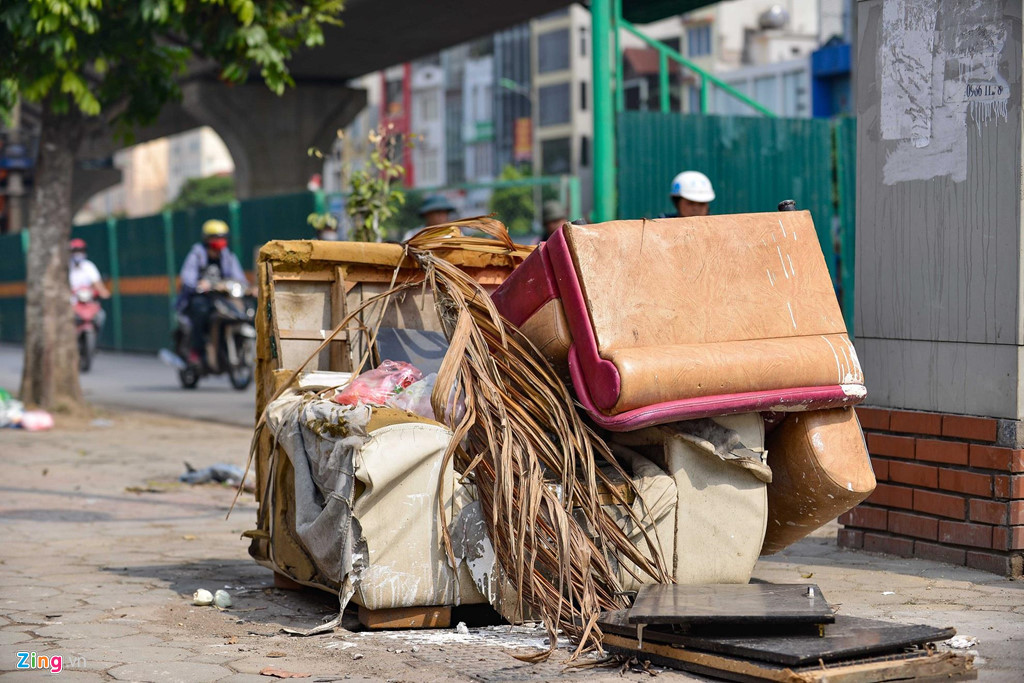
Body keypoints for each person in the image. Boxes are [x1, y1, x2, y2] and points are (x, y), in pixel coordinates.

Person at [177, 219, 247, 364]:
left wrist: (248, 288)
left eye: (222, 238)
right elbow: (187, 277)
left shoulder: (227, 256)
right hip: (201, 296)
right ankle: (197, 351)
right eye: (216, 238)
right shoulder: (197, 254)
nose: (219, 241)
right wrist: (199, 284)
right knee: (200, 311)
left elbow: (239, 277)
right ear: (207, 239)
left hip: (222, 297)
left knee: (242, 310)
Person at [68, 238, 110, 332]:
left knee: (101, 316)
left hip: (87, 301)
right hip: (72, 302)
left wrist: (103, 291)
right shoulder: (67, 267)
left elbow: (97, 282)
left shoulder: (88, 266)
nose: (78, 253)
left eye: (81, 251)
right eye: (76, 251)